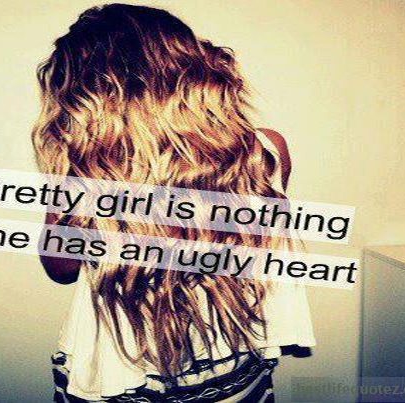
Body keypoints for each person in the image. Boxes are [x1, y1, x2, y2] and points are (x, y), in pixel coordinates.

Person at [32, 4, 315, 401]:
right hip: (231, 355)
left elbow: (60, 267)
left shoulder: (85, 171)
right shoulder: (264, 150)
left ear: (90, 93)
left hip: (120, 368)